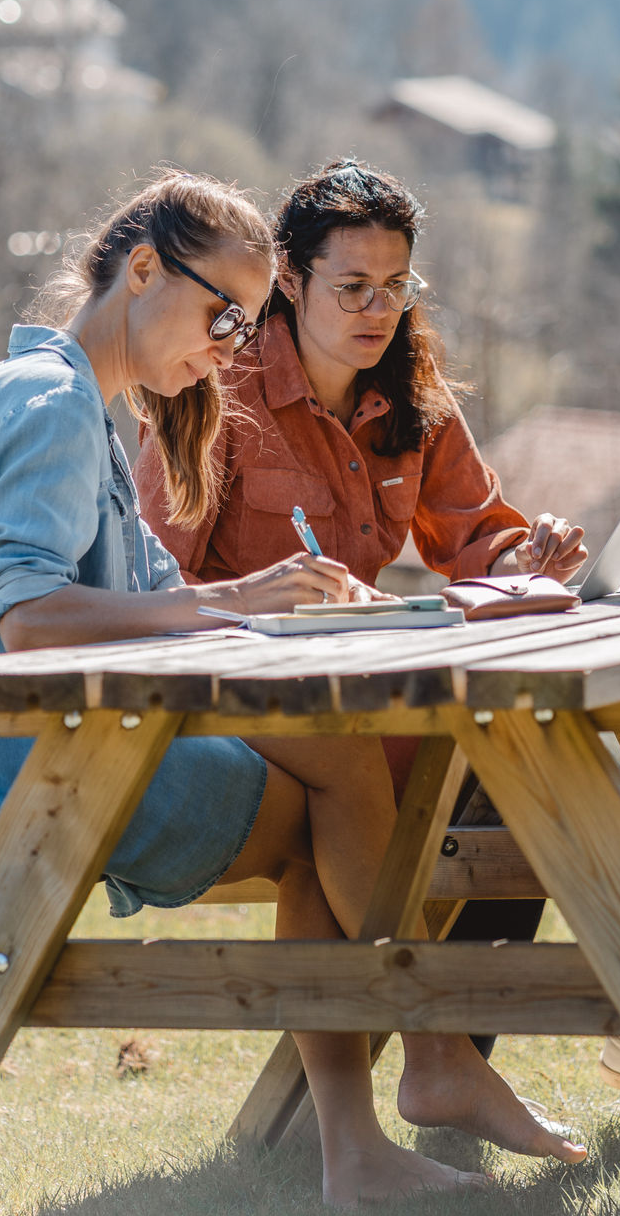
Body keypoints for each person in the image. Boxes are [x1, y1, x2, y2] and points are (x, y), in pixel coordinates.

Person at [0, 171, 582, 1212]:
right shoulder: (56, 404)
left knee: (340, 769)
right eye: (218, 313)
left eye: (243, 322)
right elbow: (29, 613)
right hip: (19, 781)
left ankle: (370, 1132)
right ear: (142, 269)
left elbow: (159, 595)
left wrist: (253, 598)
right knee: (339, 778)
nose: (227, 345)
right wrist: (239, 596)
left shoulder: (48, 403)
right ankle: (420, 1065)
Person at [133, 157, 589, 1061]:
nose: (377, 309)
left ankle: (456, 1065)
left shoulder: (412, 398)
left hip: (365, 702)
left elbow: (473, 539)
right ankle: (443, 1062)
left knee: (531, 766)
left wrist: (526, 555)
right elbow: (145, 591)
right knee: (468, 771)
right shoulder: (212, 394)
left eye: (394, 286)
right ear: (289, 282)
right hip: (246, 710)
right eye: (351, 287)